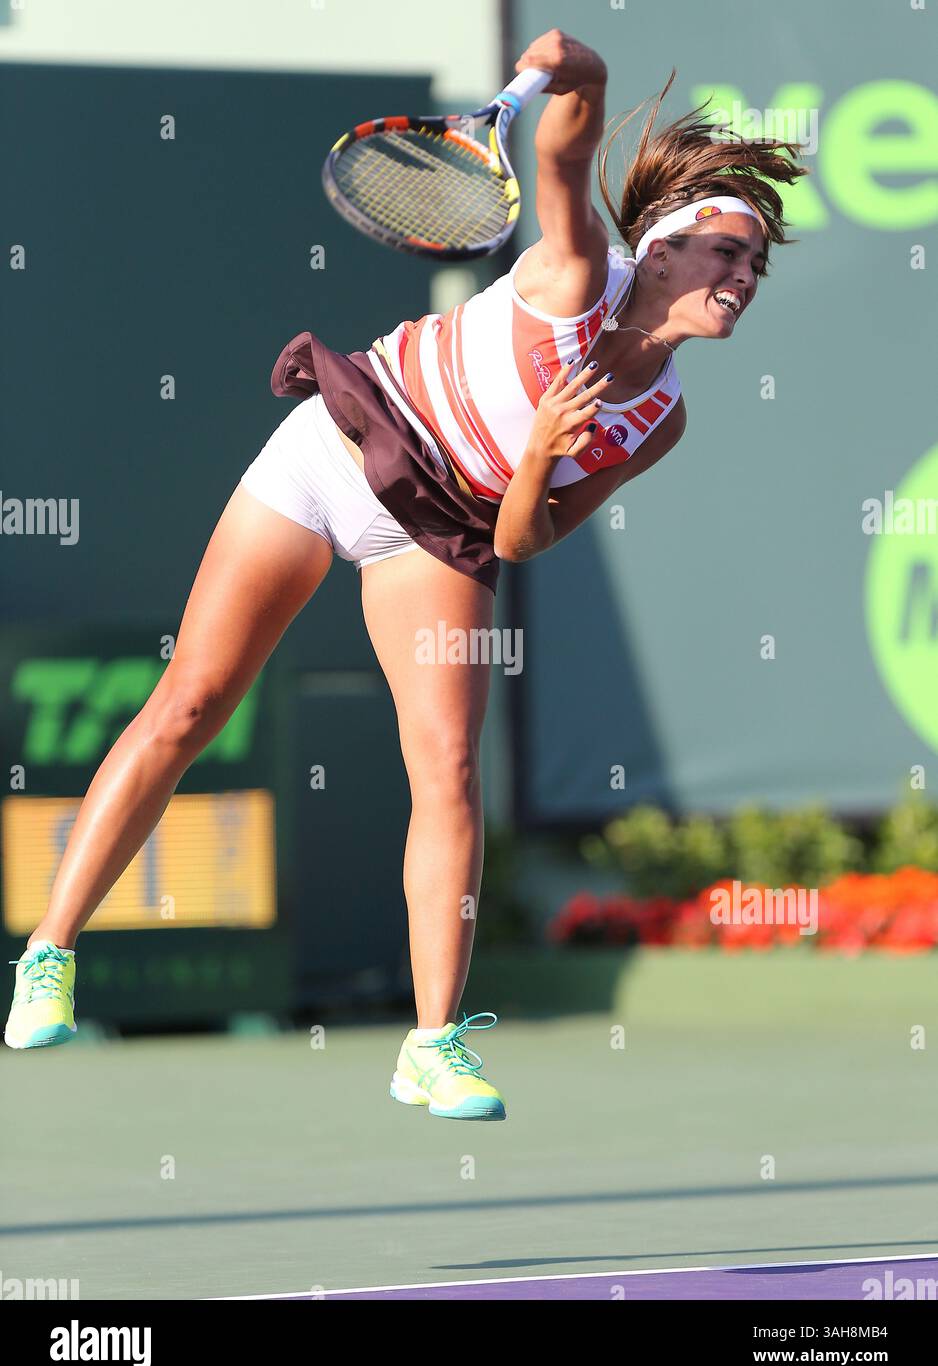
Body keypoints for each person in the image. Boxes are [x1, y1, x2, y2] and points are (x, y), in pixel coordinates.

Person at [4, 31, 808, 1122]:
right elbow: (565, 158)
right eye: (725, 252)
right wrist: (578, 71)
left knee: (448, 772)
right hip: (339, 445)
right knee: (190, 701)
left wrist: (533, 457)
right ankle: (51, 950)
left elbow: (522, 541)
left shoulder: (657, 420)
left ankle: (430, 1043)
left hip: (440, 529)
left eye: (755, 265)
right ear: (658, 254)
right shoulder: (572, 274)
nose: (742, 275)